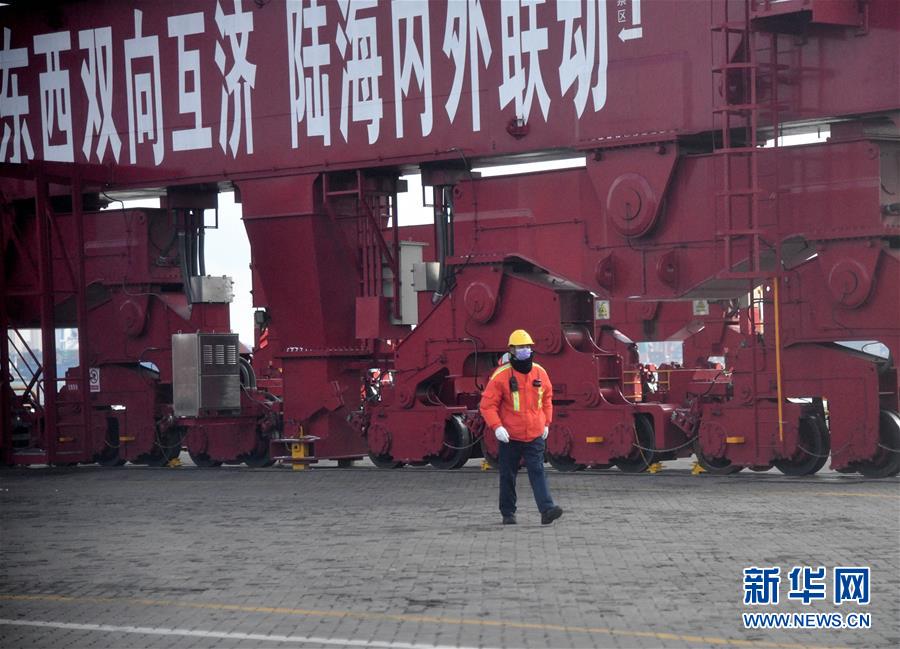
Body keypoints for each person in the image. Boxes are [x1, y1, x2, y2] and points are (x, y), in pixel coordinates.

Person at [479, 329, 564, 525]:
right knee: (508, 475)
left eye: (527, 346)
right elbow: (487, 405)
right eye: (521, 347)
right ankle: (508, 513)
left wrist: (547, 423)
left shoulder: (540, 372)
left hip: (534, 434)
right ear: (511, 350)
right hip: (510, 436)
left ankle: (547, 510)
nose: (525, 350)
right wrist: (497, 427)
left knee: (538, 472)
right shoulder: (501, 376)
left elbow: (547, 399)